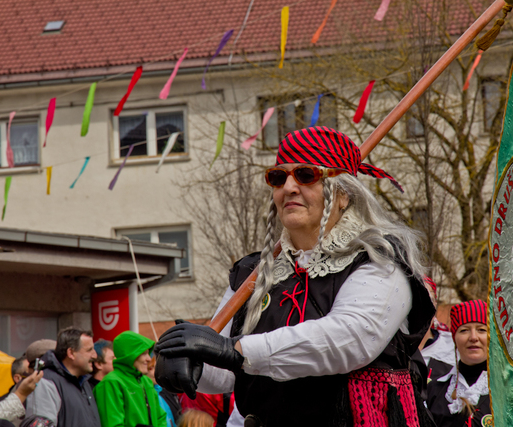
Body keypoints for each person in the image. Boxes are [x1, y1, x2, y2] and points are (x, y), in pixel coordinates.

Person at [155, 126, 436, 426]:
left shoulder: (381, 259)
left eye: (305, 175)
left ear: (343, 195)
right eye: (278, 177)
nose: (288, 187)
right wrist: (190, 360)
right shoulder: (251, 274)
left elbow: (348, 339)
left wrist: (233, 350)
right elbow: (225, 374)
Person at [427, 300, 490, 427]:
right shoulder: (434, 390)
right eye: (464, 330)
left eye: (481, 330)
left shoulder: (509, 391)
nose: (473, 337)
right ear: (454, 338)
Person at [21, 327, 100, 427]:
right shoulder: (46, 382)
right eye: (89, 350)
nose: (95, 356)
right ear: (71, 353)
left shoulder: (84, 382)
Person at [93, 331, 166, 427]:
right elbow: (112, 424)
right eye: (143, 353)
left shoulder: (146, 381)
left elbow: (160, 418)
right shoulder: (111, 382)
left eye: (148, 353)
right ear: (130, 355)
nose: (149, 358)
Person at [147, 358, 180, 427]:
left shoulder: (166, 391)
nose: (156, 372)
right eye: (151, 368)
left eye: (157, 368)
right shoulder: (144, 395)